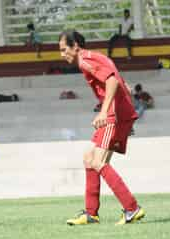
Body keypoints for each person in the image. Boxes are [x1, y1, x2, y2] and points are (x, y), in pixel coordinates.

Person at [58, 30, 145, 225]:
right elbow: (121, 82)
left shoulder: (85, 59)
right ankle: (91, 213)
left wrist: (105, 112)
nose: (62, 54)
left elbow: (112, 79)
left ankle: (132, 208)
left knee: (97, 160)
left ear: (76, 47)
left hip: (113, 115)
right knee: (89, 157)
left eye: (64, 49)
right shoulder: (92, 58)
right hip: (119, 114)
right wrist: (127, 115)